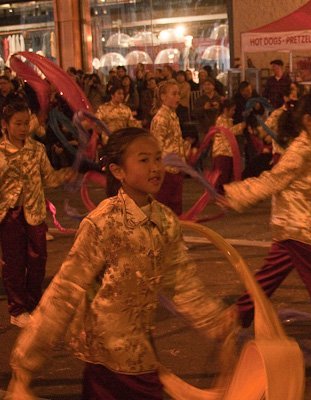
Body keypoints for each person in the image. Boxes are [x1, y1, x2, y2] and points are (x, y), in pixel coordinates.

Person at [7, 127, 236, 399]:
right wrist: (26, 360)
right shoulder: (102, 223)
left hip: (140, 348)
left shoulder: (165, 221)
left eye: (157, 158)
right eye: (143, 160)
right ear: (118, 171)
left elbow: (183, 283)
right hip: (107, 357)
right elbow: (64, 291)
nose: (155, 167)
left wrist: (217, 321)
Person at [221, 93, 311, 355]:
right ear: (308, 119)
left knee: (268, 278)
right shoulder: (300, 150)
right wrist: (235, 196)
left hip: (293, 224)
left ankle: (237, 316)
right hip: (297, 226)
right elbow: (271, 180)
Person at [0, 101, 77, 328]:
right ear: (5, 124)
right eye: (18, 124)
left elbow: (49, 179)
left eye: (26, 123)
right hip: (9, 216)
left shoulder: (37, 149)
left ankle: (32, 305)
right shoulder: (1, 153)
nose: (23, 128)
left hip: (34, 213)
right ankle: (17, 309)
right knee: (14, 263)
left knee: (38, 260)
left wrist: (65, 175)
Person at [150, 81, 186, 215]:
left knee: (176, 208)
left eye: (179, 94)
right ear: (163, 96)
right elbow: (157, 147)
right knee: (164, 208)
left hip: (177, 169)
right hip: (166, 170)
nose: (178, 97)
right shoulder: (160, 118)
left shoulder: (173, 115)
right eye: (174, 94)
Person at [212, 99, 246, 193]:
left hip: (228, 152)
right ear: (226, 110)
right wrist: (241, 126)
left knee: (227, 175)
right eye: (232, 110)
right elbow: (228, 132)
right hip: (222, 151)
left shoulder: (228, 120)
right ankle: (219, 194)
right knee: (222, 176)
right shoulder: (220, 119)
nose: (234, 112)